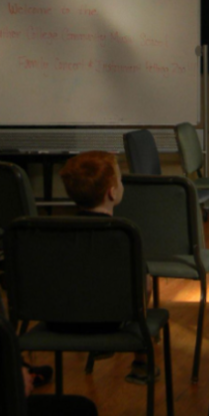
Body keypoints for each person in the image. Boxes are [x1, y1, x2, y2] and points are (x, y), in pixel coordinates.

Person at [57, 151, 152, 386]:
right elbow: (143, 287)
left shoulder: (55, 231)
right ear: (112, 191)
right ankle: (141, 359)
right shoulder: (125, 235)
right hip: (111, 322)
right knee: (144, 298)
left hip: (59, 321)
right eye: (119, 180)